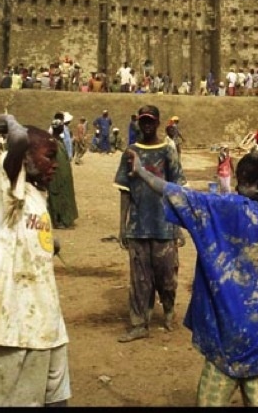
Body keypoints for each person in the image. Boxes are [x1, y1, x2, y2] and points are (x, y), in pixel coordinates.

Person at [124, 147, 258, 406]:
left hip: (222, 353)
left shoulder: (230, 210)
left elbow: (178, 194)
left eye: (242, 183)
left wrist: (140, 171)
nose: (237, 190)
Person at [0, 113, 71, 407]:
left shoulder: (36, 194)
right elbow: (20, 144)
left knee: (57, 399)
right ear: (25, 158)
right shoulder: (6, 186)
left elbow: (28, 234)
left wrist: (50, 244)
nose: (56, 164)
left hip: (49, 321)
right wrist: (13, 125)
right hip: (17, 324)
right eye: (49, 156)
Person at [113, 105, 186, 342]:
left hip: (164, 225)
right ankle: (139, 323)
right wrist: (123, 226)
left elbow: (177, 190)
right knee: (139, 279)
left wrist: (179, 226)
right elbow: (125, 191)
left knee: (167, 275)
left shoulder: (168, 150)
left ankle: (168, 310)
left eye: (150, 121)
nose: (146, 125)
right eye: (142, 121)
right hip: (138, 226)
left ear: (157, 123)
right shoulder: (130, 152)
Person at [48, 113, 78, 229]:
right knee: (56, 196)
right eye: (61, 127)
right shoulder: (52, 142)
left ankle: (67, 218)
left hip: (64, 173)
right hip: (56, 174)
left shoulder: (60, 140)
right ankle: (57, 220)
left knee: (66, 194)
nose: (63, 128)